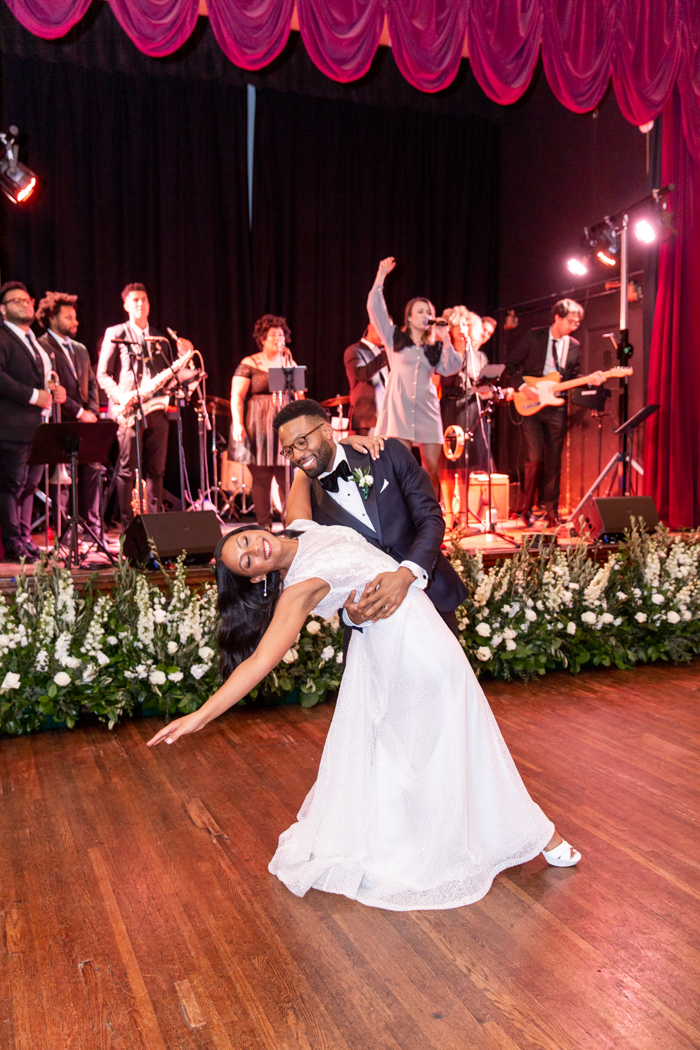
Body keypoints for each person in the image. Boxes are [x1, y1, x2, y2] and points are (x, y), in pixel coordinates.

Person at [147, 519, 581, 911]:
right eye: (246, 562)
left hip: (416, 637)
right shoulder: (300, 587)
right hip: (410, 651)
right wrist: (201, 715)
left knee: (437, 747)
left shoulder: (303, 528)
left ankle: (484, 836)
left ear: (255, 528)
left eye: (245, 540)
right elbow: (261, 660)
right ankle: (536, 836)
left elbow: (304, 462)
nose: (254, 550)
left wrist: (355, 438)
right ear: (257, 577)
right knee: (461, 742)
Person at [276, 398, 467, 638]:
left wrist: (405, 574)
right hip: (376, 623)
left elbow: (430, 519)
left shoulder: (385, 453)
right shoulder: (309, 508)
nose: (297, 454)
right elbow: (329, 574)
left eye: (302, 442)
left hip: (433, 596)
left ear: (326, 430)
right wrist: (350, 615)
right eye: (289, 450)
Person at [502, 299, 604, 528]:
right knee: (535, 457)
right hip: (530, 404)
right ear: (557, 317)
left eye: (577, 322)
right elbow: (511, 366)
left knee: (554, 460)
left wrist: (590, 380)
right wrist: (522, 387)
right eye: (570, 321)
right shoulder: (534, 336)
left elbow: (571, 379)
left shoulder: (574, 345)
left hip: (556, 407)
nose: (574, 325)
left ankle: (551, 511)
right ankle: (526, 508)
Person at [368, 257, 463, 497]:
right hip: (399, 407)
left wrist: (447, 338)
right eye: (420, 311)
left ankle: (430, 518)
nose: (425, 315)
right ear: (409, 317)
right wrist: (381, 275)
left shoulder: (436, 347)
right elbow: (375, 308)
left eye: (428, 311)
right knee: (401, 469)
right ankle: (404, 520)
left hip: (426, 408)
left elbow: (453, 367)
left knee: (431, 469)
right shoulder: (394, 339)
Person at [98, 283, 190, 527]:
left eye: (144, 300)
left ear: (149, 305)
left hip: (157, 408)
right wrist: (120, 396)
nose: (140, 304)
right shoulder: (116, 333)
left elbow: (170, 377)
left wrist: (184, 361)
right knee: (127, 470)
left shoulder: (160, 338)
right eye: (135, 300)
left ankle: (155, 525)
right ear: (126, 305)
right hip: (129, 408)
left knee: (157, 470)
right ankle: (129, 527)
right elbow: (102, 374)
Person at [0, 281, 66, 562]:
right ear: (2, 310)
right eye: (17, 301)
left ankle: (25, 539)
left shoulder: (32, 341)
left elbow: (43, 381)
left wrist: (54, 391)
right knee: (11, 486)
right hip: (10, 426)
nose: (25, 304)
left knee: (28, 487)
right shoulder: (2, 337)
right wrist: (33, 395)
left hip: (35, 428)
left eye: (27, 299)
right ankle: (13, 545)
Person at [37, 292, 102, 535]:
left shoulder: (81, 349)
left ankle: (93, 527)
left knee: (93, 471)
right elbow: (54, 389)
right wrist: (79, 412)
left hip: (86, 420)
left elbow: (92, 384)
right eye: (69, 317)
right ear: (52, 317)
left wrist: (92, 412)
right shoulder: (42, 346)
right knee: (62, 481)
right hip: (61, 422)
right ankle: (65, 531)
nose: (76, 322)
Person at [229, 314, 300, 531]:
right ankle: (264, 528)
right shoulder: (250, 362)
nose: (278, 339)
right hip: (257, 426)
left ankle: (291, 528)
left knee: (286, 479)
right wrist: (238, 423)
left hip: (283, 427)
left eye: (281, 335)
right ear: (263, 339)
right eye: (273, 335)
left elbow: (300, 396)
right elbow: (237, 396)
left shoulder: (290, 363)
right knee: (261, 480)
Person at [438, 307, 490, 531]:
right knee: (448, 463)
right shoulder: (444, 353)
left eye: (467, 325)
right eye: (458, 325)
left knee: (467, 464)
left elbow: (483, 385)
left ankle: (464, 516)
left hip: (470, 409)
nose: (463, 330)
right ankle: (448, 513)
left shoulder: (478, 356)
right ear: (450, 329)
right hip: (449, 408)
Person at [343, 322, 389, 436]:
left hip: (386, 419)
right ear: (370, 327)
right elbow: (361, 373)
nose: (385, 333)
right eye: (382, 328)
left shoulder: (384, 354)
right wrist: (385, 354)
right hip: (366, 421)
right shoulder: (354, 350)